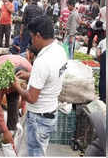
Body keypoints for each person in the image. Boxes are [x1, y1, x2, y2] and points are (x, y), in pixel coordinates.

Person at [11, 15, 68, 156]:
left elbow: (31, 97)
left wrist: (16, 85)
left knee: (35, 153)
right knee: (40, 149)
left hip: (39, 117)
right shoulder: (60, 50)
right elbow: (51, 75)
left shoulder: (42, 61)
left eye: (31, 36)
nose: (31, 40)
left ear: (38, 35)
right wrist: (30, 76)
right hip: (50, 112)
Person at [0, 54, 32, 155]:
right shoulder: (0, 78)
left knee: (14, 106)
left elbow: (25, 91)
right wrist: (4, 131)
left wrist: (23, 105)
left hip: (15, 70)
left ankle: (11, 136)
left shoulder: (29, 71)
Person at [97, 37, 106, 103]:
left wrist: (100, 60)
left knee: (103, 77)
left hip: (105, 55)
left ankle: (102, 97)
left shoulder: (103, 41)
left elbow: (98, 54)